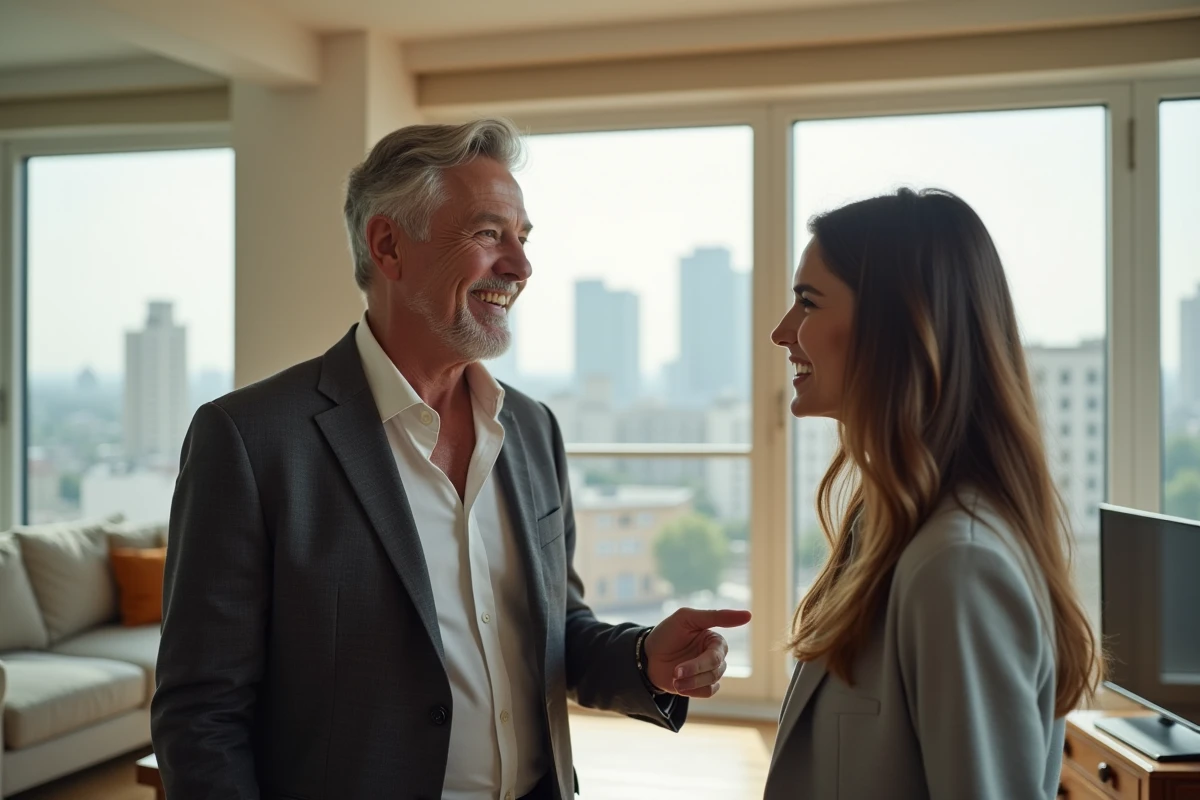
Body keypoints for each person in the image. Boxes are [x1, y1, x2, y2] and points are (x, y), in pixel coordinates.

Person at [151, 118, 751, 800]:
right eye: (490, 234)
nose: (521, 268)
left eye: (523, 239)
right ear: (388, 245)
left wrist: (645, 657)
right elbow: (201, 715)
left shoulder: (531, 428)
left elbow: (556, 632)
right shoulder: (252, 440)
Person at [764, 188, 1100, 799]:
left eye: (807, 303)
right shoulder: (887, 525)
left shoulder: (957, 566)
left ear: (895, 326)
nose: (781, 332)